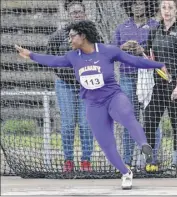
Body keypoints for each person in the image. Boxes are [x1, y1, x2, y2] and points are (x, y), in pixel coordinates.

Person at [15, 20, 167, 189]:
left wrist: (159, 64)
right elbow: (52, 61)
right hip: (94, 105)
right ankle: (125, 173)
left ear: (83, 36)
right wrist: (30, 55)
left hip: (113, 96)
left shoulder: (107, 51)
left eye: (72, 36)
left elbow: (134, 61)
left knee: (127, 116)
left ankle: (144, 145)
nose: (69, 40)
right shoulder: (72, 56)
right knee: (106, 144)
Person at [143, 0, 177, 175]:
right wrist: (149, 60)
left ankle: (176, 165)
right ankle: (150, 161)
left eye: (170, 7)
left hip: (176, 85)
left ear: (176, 9)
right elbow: (147, 51)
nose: (167, 11)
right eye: (164, 7)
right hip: (157, 85)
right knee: (149, 121)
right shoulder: (155, 29)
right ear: (160, 9)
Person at [112, 0, 161, 170]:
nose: (138, 7)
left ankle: (151, 160)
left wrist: (143, 51)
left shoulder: (156, 25)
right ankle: (127, 161)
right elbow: (112, 53)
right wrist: (122, 48)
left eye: (141, 3)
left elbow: (160, 51)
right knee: (128, 118)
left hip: (148, 76)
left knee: (151, 119)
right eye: (134, 4)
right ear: (129, 7)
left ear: (147, 6)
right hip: (127, 76)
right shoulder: (121, 27)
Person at [46, 0, 94, 172]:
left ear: (85, 13)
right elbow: (49, 58)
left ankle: (86, 161)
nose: (77, 14)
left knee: (86, 123)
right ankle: (68, 161)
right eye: (73, 12)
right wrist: (62, 72)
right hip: (64, 85)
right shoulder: (58, 36)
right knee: (67, 124)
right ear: (68, 14)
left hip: (87, 87)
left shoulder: (93, 35)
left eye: (80, 12)